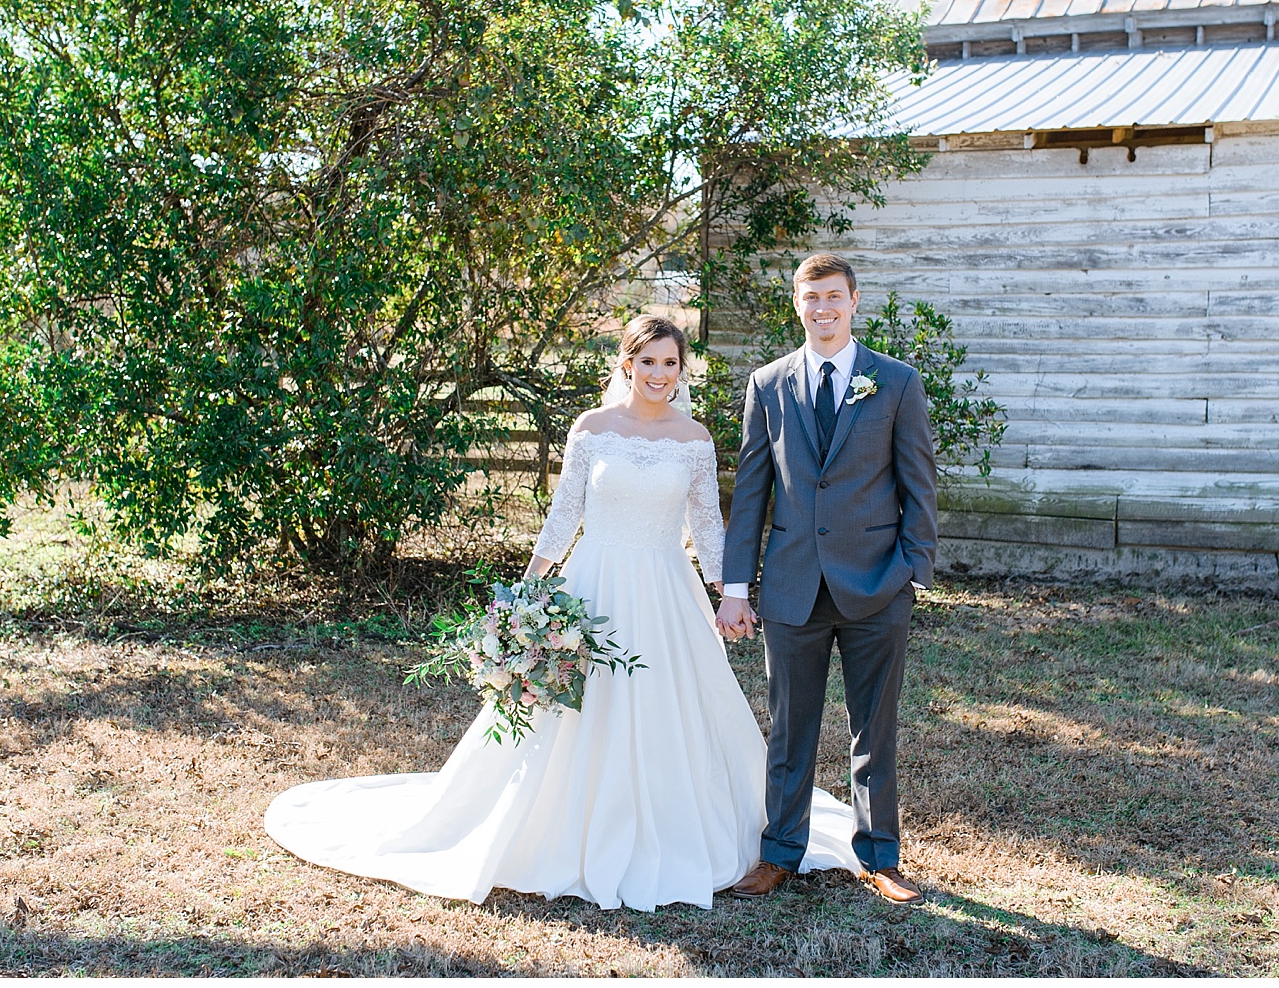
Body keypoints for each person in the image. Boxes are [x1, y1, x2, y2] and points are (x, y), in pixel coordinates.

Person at [263, 314, 860, 911]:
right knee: (577, 707)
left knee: (674, 704)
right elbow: (563, 513)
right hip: (593, 585)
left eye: (670, 363)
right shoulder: (593, 428)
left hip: (666, 591)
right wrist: (526, 594)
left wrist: (728, 591)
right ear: (627, 364)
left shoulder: (694, 438)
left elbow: (706, 524)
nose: (658, 373)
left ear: (682, 371)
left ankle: (679, 824)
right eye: (647, 361)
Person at [715, 253, 938, 906]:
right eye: (811, 297)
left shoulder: (894, 382)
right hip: (791, 588)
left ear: (854, 301)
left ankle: (881, 859)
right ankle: (778, 853)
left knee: (875, 730)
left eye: (834, 296)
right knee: (789, 731)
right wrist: (736, 588)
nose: (823, 308)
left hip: (877, 586)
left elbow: (918, 485)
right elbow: (751, 492)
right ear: (797, 303)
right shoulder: (768, 383)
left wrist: (913, 573)